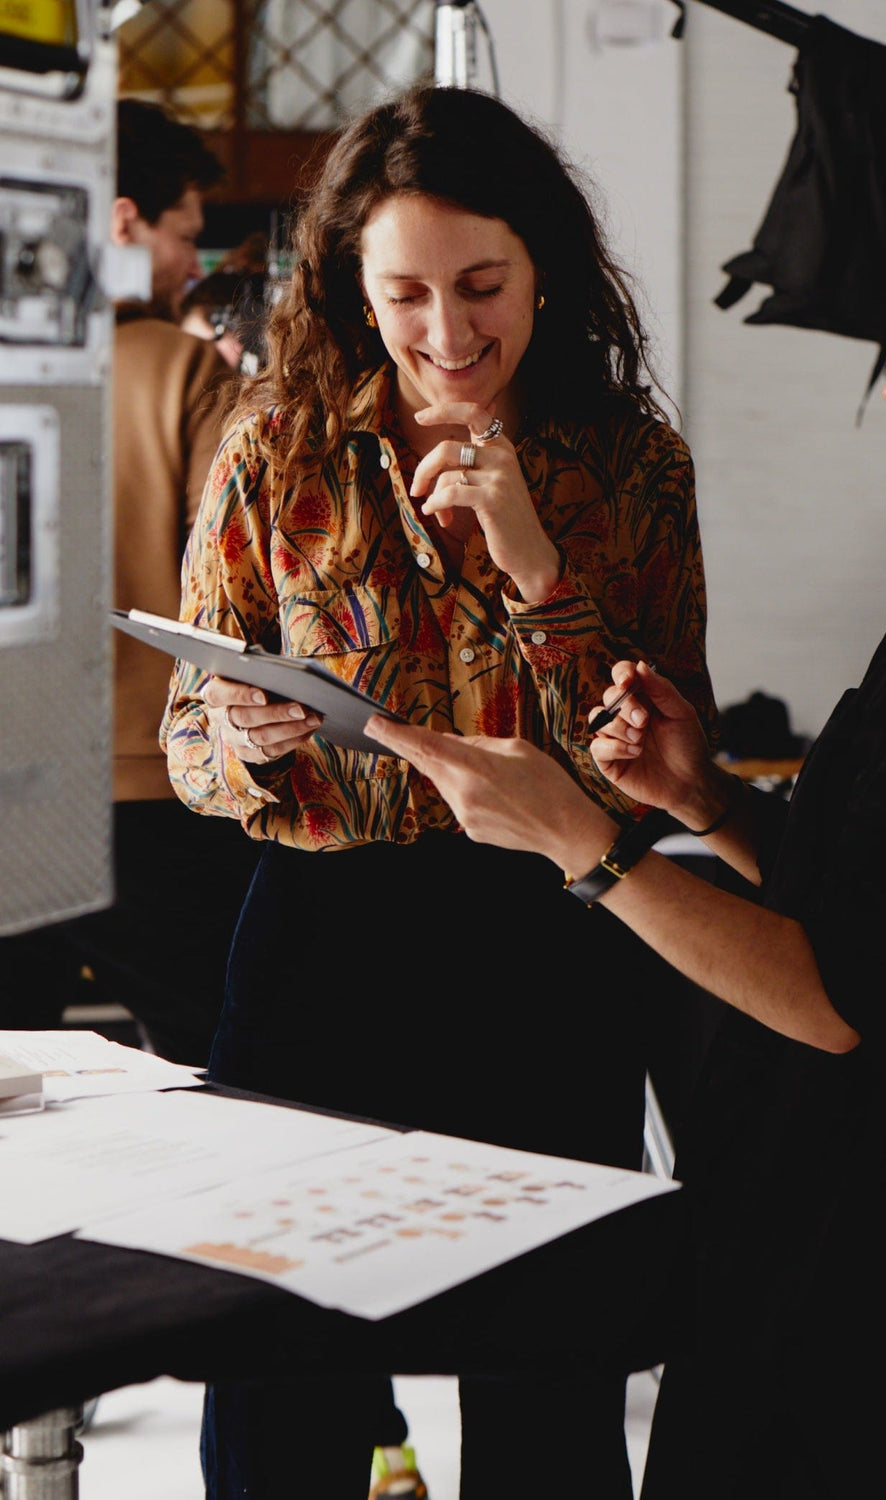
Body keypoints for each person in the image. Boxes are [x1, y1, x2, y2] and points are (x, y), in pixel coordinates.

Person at [365, 240, 886, 1498]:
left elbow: (842, 996)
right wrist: (703, 797)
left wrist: (582, 842)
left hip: (875, 1267)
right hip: (821, 1226)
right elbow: (870, 895)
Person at [161, 85, 715, 1499]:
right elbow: (187, 744)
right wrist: (244, 737)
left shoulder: (632, 465)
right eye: (406, 292)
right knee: (280, 1382)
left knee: (549, 1393)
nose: (448, 332)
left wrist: (536, 568)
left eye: (483, 286)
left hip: (552, 942)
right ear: (352, 287)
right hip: (316, 945)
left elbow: (665, 763)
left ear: (545, 272)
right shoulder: (273, 448)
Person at [0, 100, 259, 1066]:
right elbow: (236, 579)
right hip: (147, 795)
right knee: (224, 1064)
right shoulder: (183, 371)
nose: (192, 264)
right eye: (183, 235)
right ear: (120, 220)